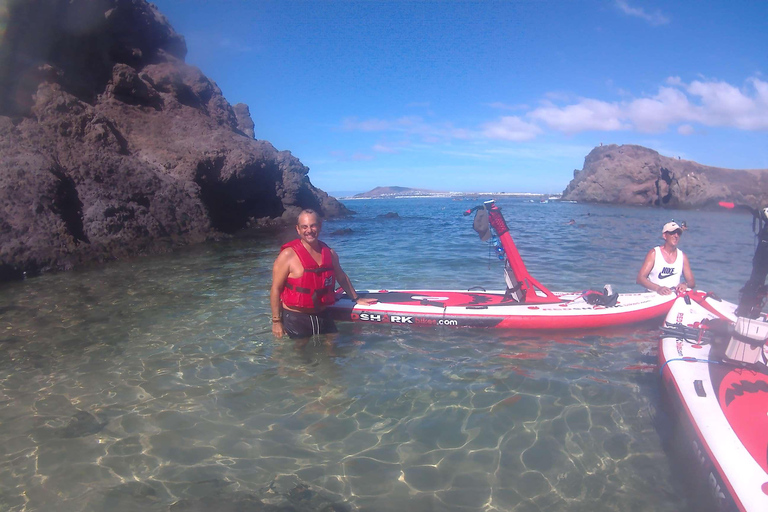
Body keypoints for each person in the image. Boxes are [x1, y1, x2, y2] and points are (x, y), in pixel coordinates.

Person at [271, 209, 377, 338]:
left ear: (320, 226)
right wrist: (276, 321)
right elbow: (276, 289)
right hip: (296, 317)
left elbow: (341, 276)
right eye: (304, 227)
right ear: (298, 229)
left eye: (313, 225)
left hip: (323, 313)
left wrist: (356, 298)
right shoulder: (287, 255)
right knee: (299, 353)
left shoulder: (329, 253)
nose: (309, 230)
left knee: (331, 347)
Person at [636, 221, 695, 295]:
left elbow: (691, 282)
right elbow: (640, 279)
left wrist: (685, 285)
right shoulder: (654, 253)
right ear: (664, 236)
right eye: (672, 232)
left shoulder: (682, 256)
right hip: (653, 296)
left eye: (678, 233)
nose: (676, 236)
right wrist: (658, 288)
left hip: (673, 298)